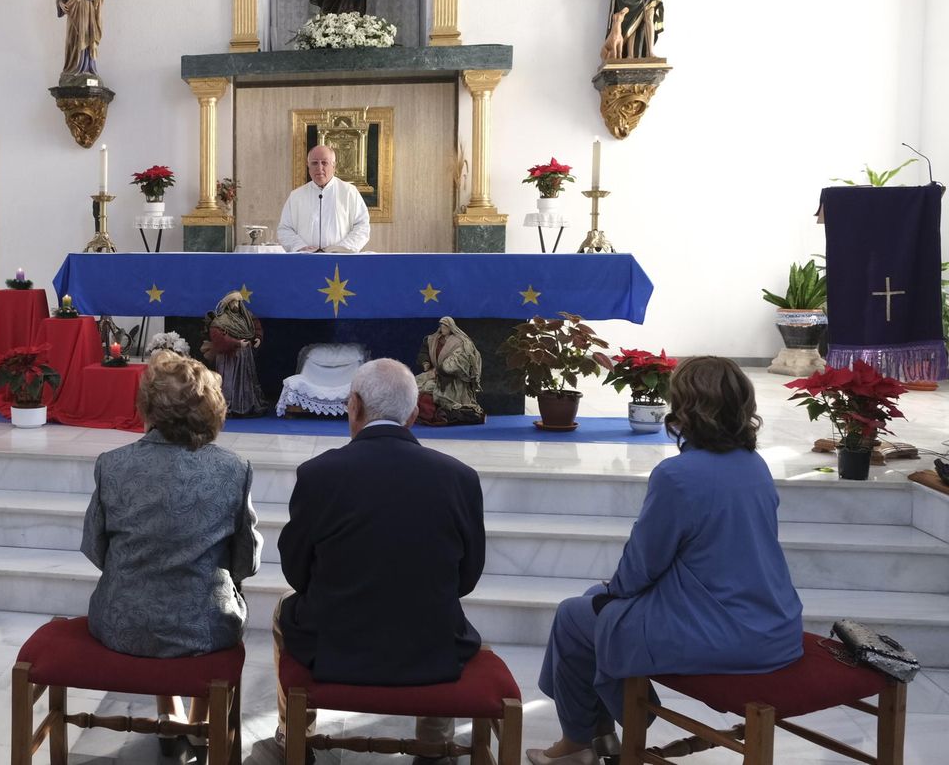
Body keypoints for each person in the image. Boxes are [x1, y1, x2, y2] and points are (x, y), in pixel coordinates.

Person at [527, 357, 803, 765]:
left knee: (574, 615)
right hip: (773, 623)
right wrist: (608, 595)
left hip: (721, 632)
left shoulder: (678, 474)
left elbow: (642, 565)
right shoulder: (755, 466)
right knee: (593, 602)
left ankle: (576, 743)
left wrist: (613, 592)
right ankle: (602, 735)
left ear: (686, 407)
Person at [273, 358, 485, 755]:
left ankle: (294, 736)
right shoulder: (460, 478)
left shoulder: (319, 474)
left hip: (336, 646)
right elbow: (467, 578)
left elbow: (295, 572)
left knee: (283, 609)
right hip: (431, 648)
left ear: (353, 405)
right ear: (414, 412)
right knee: (439, 606)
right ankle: (435, 747)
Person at [82, 351, 262, 737]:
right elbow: (246, 561)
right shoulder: (233, 469)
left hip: (121, 622)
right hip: (203, 628)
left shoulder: (111, 464)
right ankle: (198, 724)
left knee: (155, 577)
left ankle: (171, 714)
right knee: (215, 585)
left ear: (148, 405)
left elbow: (96, 550)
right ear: (212, 408)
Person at [277, 144, 371, 253]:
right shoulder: (296, 196)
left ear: (334, 166)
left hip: (340, 259)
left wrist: (342, 248)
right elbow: (285, 229)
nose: (319, 168)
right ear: (308, 166)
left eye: (324, 163)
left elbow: (362, 225)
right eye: (314, 163)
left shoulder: (349, 192)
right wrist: (300, 247)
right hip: (306, 260)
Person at [202, 291, 267, 417]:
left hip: (245, 357)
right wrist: (236, 343)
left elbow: (256, 327)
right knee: (229, 382)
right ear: (228, 304)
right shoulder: (221, 320)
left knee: (246, 382)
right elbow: (217, 337)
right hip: (229, 358)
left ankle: (247, 405)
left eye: (237, 302)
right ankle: (226, 406)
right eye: (233, 302)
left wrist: (258, 337)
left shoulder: (247, 317)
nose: (235, 304)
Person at [416, 317, 485, 424]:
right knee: (416, 385)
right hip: (435, 373)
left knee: (435, 392)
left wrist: (441, 369)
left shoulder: (461, 343)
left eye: (445, 326)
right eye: (441, 326)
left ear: (451, 327)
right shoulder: (433, 340)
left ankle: (443, 414)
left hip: (453, 379)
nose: (442, 328)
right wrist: (425, 362)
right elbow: (424, 352)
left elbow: (458, 361)